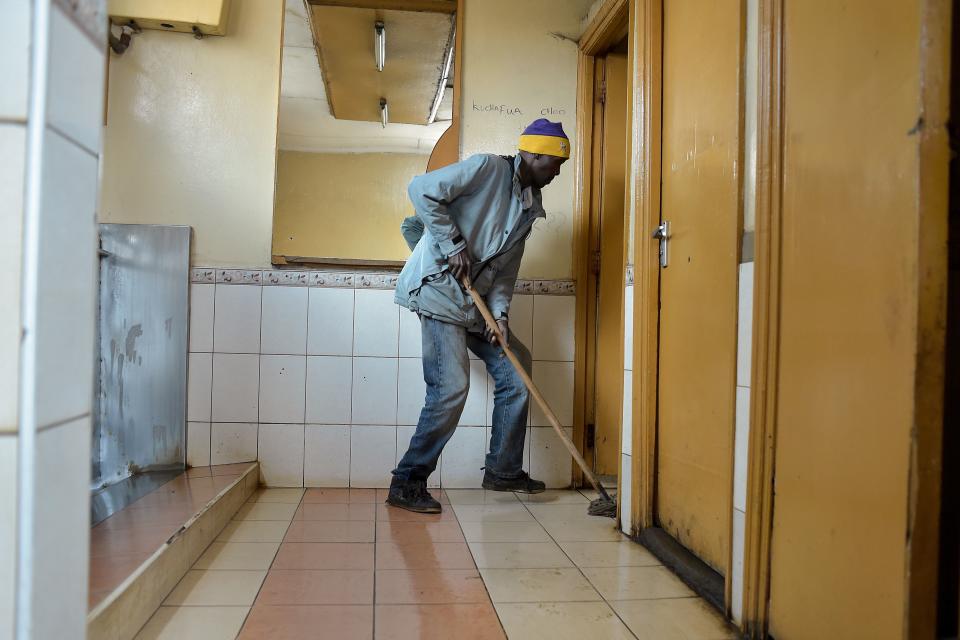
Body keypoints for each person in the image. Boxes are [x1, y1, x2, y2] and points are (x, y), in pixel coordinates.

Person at [388, 119, 570, 513]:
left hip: (477, 304)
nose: (557, 172)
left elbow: (506, 271)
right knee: (451, 388)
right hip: (438, 291)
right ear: (532, 154)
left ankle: (503, 471)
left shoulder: (529, 207)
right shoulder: (488, 168)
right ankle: (407, 481)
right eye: (553, 163)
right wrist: (452, 243)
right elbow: (421, 191)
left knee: (516, 365)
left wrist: (500, 315)